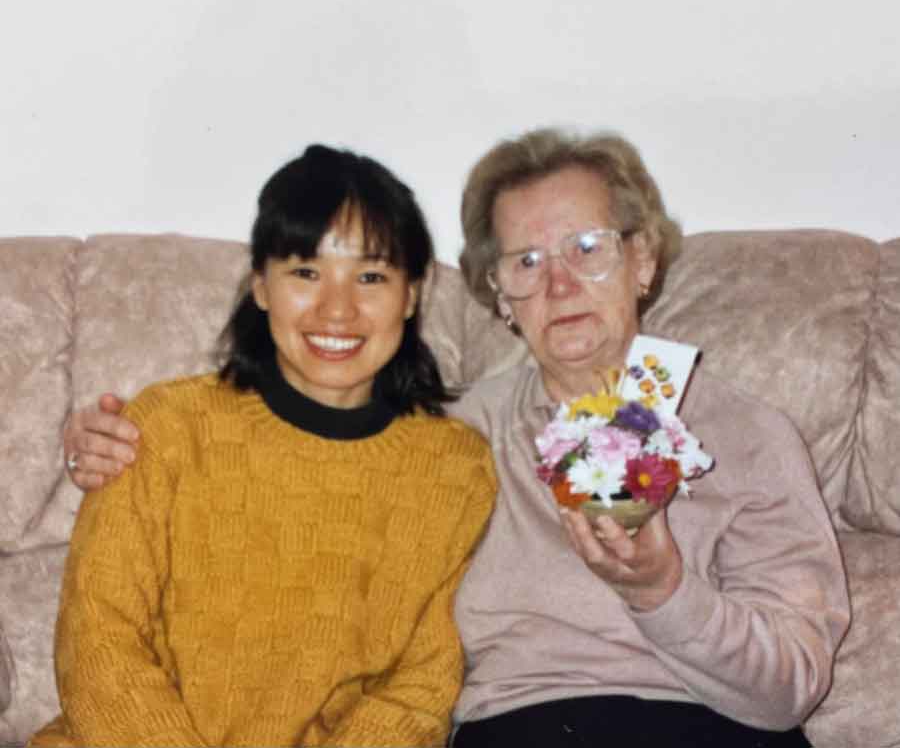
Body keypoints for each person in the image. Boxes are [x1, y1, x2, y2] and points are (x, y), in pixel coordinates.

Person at [65, 128, 850, 747]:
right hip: (522, 728)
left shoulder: (748, 436)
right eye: (526, 261)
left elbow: (790, 690)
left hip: (711, 729)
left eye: (587, 248)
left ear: (642, 258)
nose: (559, 284)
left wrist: (663, 590)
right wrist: (99, 437)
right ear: (498, 293)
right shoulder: (460, 439)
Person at [32, 144, 496, 748]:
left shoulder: (456, 469)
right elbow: (98, 641)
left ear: (411, 295)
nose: (337, 309)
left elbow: (421, 685)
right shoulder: (167, 426)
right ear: (260, 286)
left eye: (372, 276)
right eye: (306, 272)